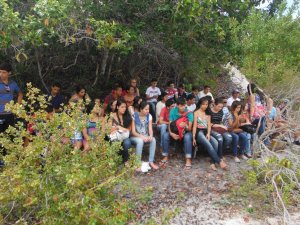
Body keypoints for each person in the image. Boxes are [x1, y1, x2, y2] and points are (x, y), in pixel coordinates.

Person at [193, 98, 227, 171]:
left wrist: (208, 133)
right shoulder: (196, 112)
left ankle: (212, 162)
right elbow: (195, 126)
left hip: (206, 131)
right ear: (200, 104)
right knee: (208, 144)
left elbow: (208, 125)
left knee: (215, 143)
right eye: (203, 104)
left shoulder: (208, 112)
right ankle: (219, 161)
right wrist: (193, 137)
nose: (205, 106)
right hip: (199, 132)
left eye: (206, 104)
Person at [160, 97, 193, 170]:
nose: (183, 107)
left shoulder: (189, 113)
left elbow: (189, 128)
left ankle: (188, 159)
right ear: (177, 105)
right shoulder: (173, 111)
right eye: (181, 106)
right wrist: (171, 133)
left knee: (187, 137)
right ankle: (165, 156)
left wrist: (185, 125)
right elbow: (170, 124)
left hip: (185, 132)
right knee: (165, 135)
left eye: (184, 105)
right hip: (174, 131)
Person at [131, 101, 159, 170]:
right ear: (141, 109)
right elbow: (133, 132)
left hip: (145, 136)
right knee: (140, 141)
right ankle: (137, 163)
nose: (148, 111)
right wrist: (142, 137)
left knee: (153, 140)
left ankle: (151, 161)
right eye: (146, 109)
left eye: (148, 109)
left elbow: (150, 129)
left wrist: (150, 136)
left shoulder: (149, 116)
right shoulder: (134, 116)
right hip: (136, 137)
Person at [0, 62, 23, 133]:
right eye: (0, 72)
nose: (1, 74)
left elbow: (20, 94)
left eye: (4, 72)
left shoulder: (13, 83)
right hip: (0, 114)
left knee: (10, 135)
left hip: (10, 114)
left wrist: (17, 106)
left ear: (9, 73)